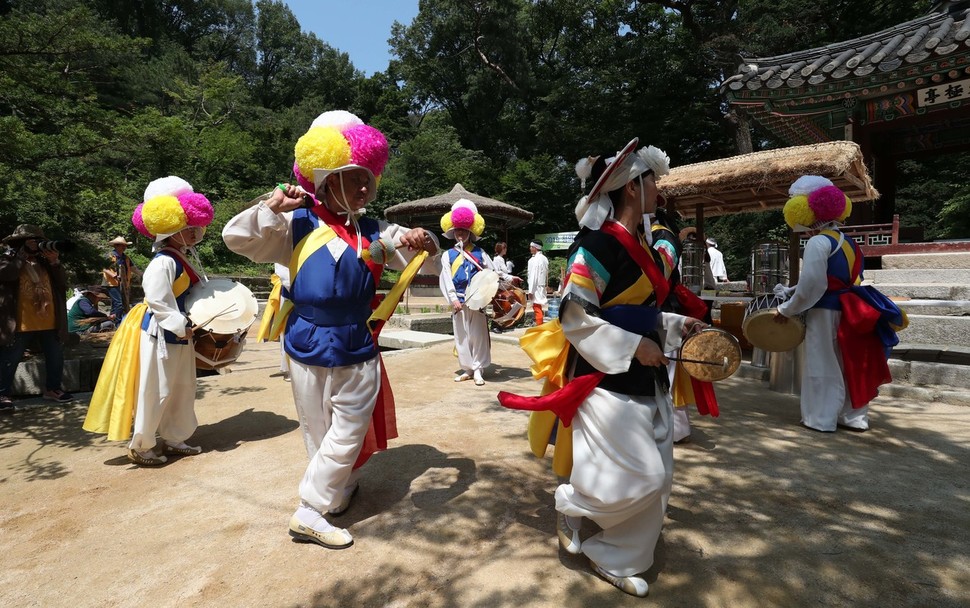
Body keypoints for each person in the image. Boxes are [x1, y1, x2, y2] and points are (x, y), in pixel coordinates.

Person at [498, 138, 706, 597]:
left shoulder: (646, 247)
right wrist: (633, 347)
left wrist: (676, 325)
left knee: (662, 479)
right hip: (603, 377)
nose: (658, 187)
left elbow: (646, 312)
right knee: (644, 476)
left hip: (647, 373)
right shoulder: (593, 245)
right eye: (651, 180)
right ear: (631, 187)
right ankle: (572, 501)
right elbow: (574, 315)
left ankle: (617, 555)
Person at [223, 110, 439, 550]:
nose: (365, 187)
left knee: (349, 428)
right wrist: (269, 206)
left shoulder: (376, 229)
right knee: (317, 429)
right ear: (326, 181)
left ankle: (309, 508)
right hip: (305, 339)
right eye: (354, 178)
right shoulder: (292, 224)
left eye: (368, 178)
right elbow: (235, 238)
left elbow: (428, 261)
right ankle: (333, 497)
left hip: (356, 342)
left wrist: (425, 239)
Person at [83, 176, 213, 466]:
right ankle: (142, 445)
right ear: (174, 228)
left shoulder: (179, 257)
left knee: (182, 386)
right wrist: (182, 326)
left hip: (178, 331)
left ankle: (174, 436)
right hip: (161, 332)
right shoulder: (164, 261)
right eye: (188, 228)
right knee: (158, 388)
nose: (195, 232)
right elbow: (158, 301)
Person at [773, 176, 904, 433]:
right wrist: (790, 290)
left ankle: (820, 418)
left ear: (807, 213)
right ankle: (853, 416)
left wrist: (786, 309)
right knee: (849, 361)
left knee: (821, 363)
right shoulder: (850, 243)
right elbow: (838, 279)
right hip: (849, 309)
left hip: (824, 311)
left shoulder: (817, 242)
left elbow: (814, 286)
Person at [0, 224, 74, 411]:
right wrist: (22, 256)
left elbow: (63, 284)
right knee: (10, 358)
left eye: (37, 242)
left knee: (55, 356)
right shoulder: (7, 259)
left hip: (50, 320)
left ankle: (53, 389)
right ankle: (2, 393)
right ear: (20, 243)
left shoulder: (45, 262)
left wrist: (55, 262)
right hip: (20, 321)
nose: (35, 246)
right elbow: (7, 276)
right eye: (29, 242)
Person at [439, 199, 492, 386]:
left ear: (470, 231)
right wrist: (453, 299)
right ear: (453, 232)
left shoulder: (481, 253)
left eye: (463, 230)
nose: (460, 234)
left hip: (477, 300)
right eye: (457, 231)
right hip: (459, 301)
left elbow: (491, 273)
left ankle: (478, 369)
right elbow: (446, 278)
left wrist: (508, 280)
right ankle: (467, 368)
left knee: (478, 335)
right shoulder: (448, 255)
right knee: (461, 336)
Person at [103, 236, 141, 320]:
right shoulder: (110, 256)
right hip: (111, 283)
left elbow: (132, 268)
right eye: (122, 245)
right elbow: (104, 267)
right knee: (119, 303)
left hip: (123, 283)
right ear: (116, 246)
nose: (124, 247)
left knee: (116, 303)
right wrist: (114, 275)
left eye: (125, 245)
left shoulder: (126, 258)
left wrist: (142, 274)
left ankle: (112, 320)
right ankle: (118, 322)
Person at [527, 239, 549, 325]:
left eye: (531, 247)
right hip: (541, 285)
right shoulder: (544, 258)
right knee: (538, 305)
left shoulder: (535, 260)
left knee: (536, 306)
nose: (530, 248)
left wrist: (530, 291)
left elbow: (533, 276)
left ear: (535, 248)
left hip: (536, 286)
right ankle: (539, 323)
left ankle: (539, 326)